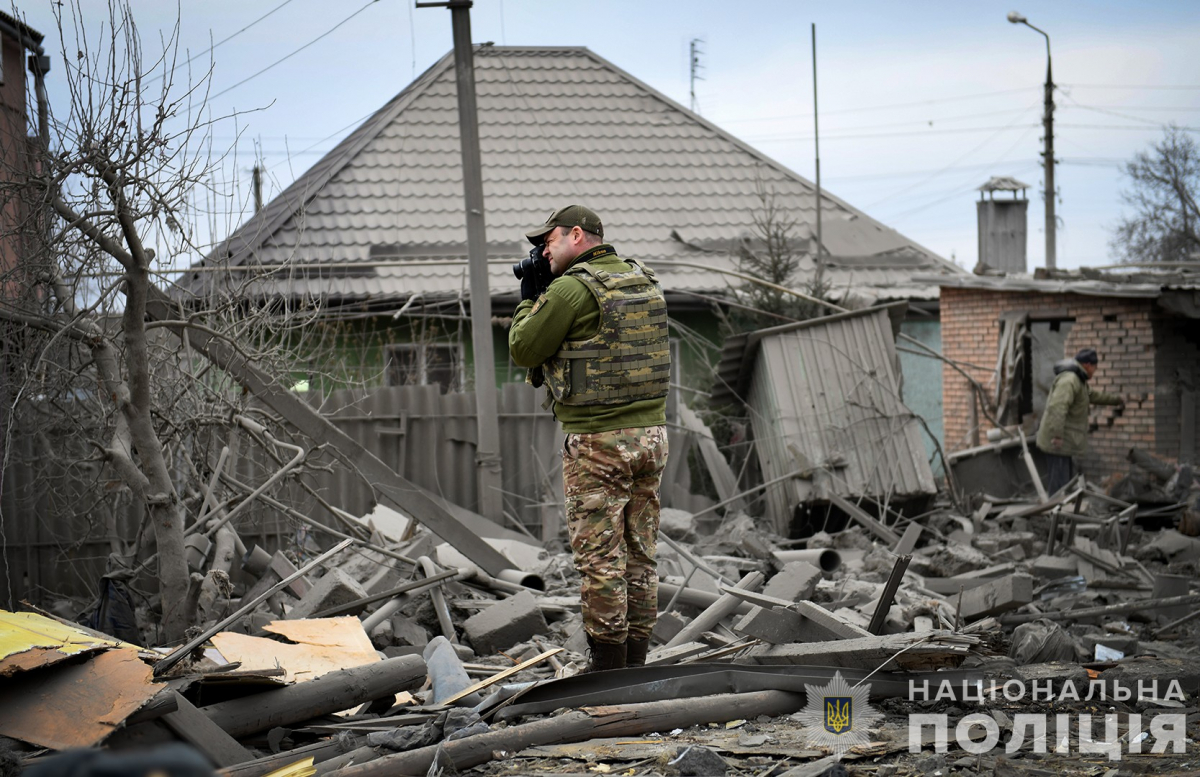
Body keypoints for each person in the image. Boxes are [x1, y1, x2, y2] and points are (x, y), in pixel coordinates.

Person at [508, 205, 670, 672]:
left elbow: (524, 347)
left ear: (577, 235)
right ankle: (635, 667)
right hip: (653, 435)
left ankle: (606, 672)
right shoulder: (642, 278)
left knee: (600, 559)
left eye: (549, 240)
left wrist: (527, 297)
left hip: (599, 442)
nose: (542, 250)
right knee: (640, 554)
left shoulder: (571, 288)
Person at [1035, 347, 1124, 495]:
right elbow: (1057, 407)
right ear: (1088, 365)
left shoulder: (1079, 381)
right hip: (1057, 442)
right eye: (1095, 368)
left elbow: (1092, 395)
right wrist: (1057, 435)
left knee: (1064, 483)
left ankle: (1062, 512)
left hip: (1064, 441)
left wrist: (1117, 399)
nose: (1094, 372)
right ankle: (1056, 513)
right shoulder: (1070, 380)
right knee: (1058, 485)